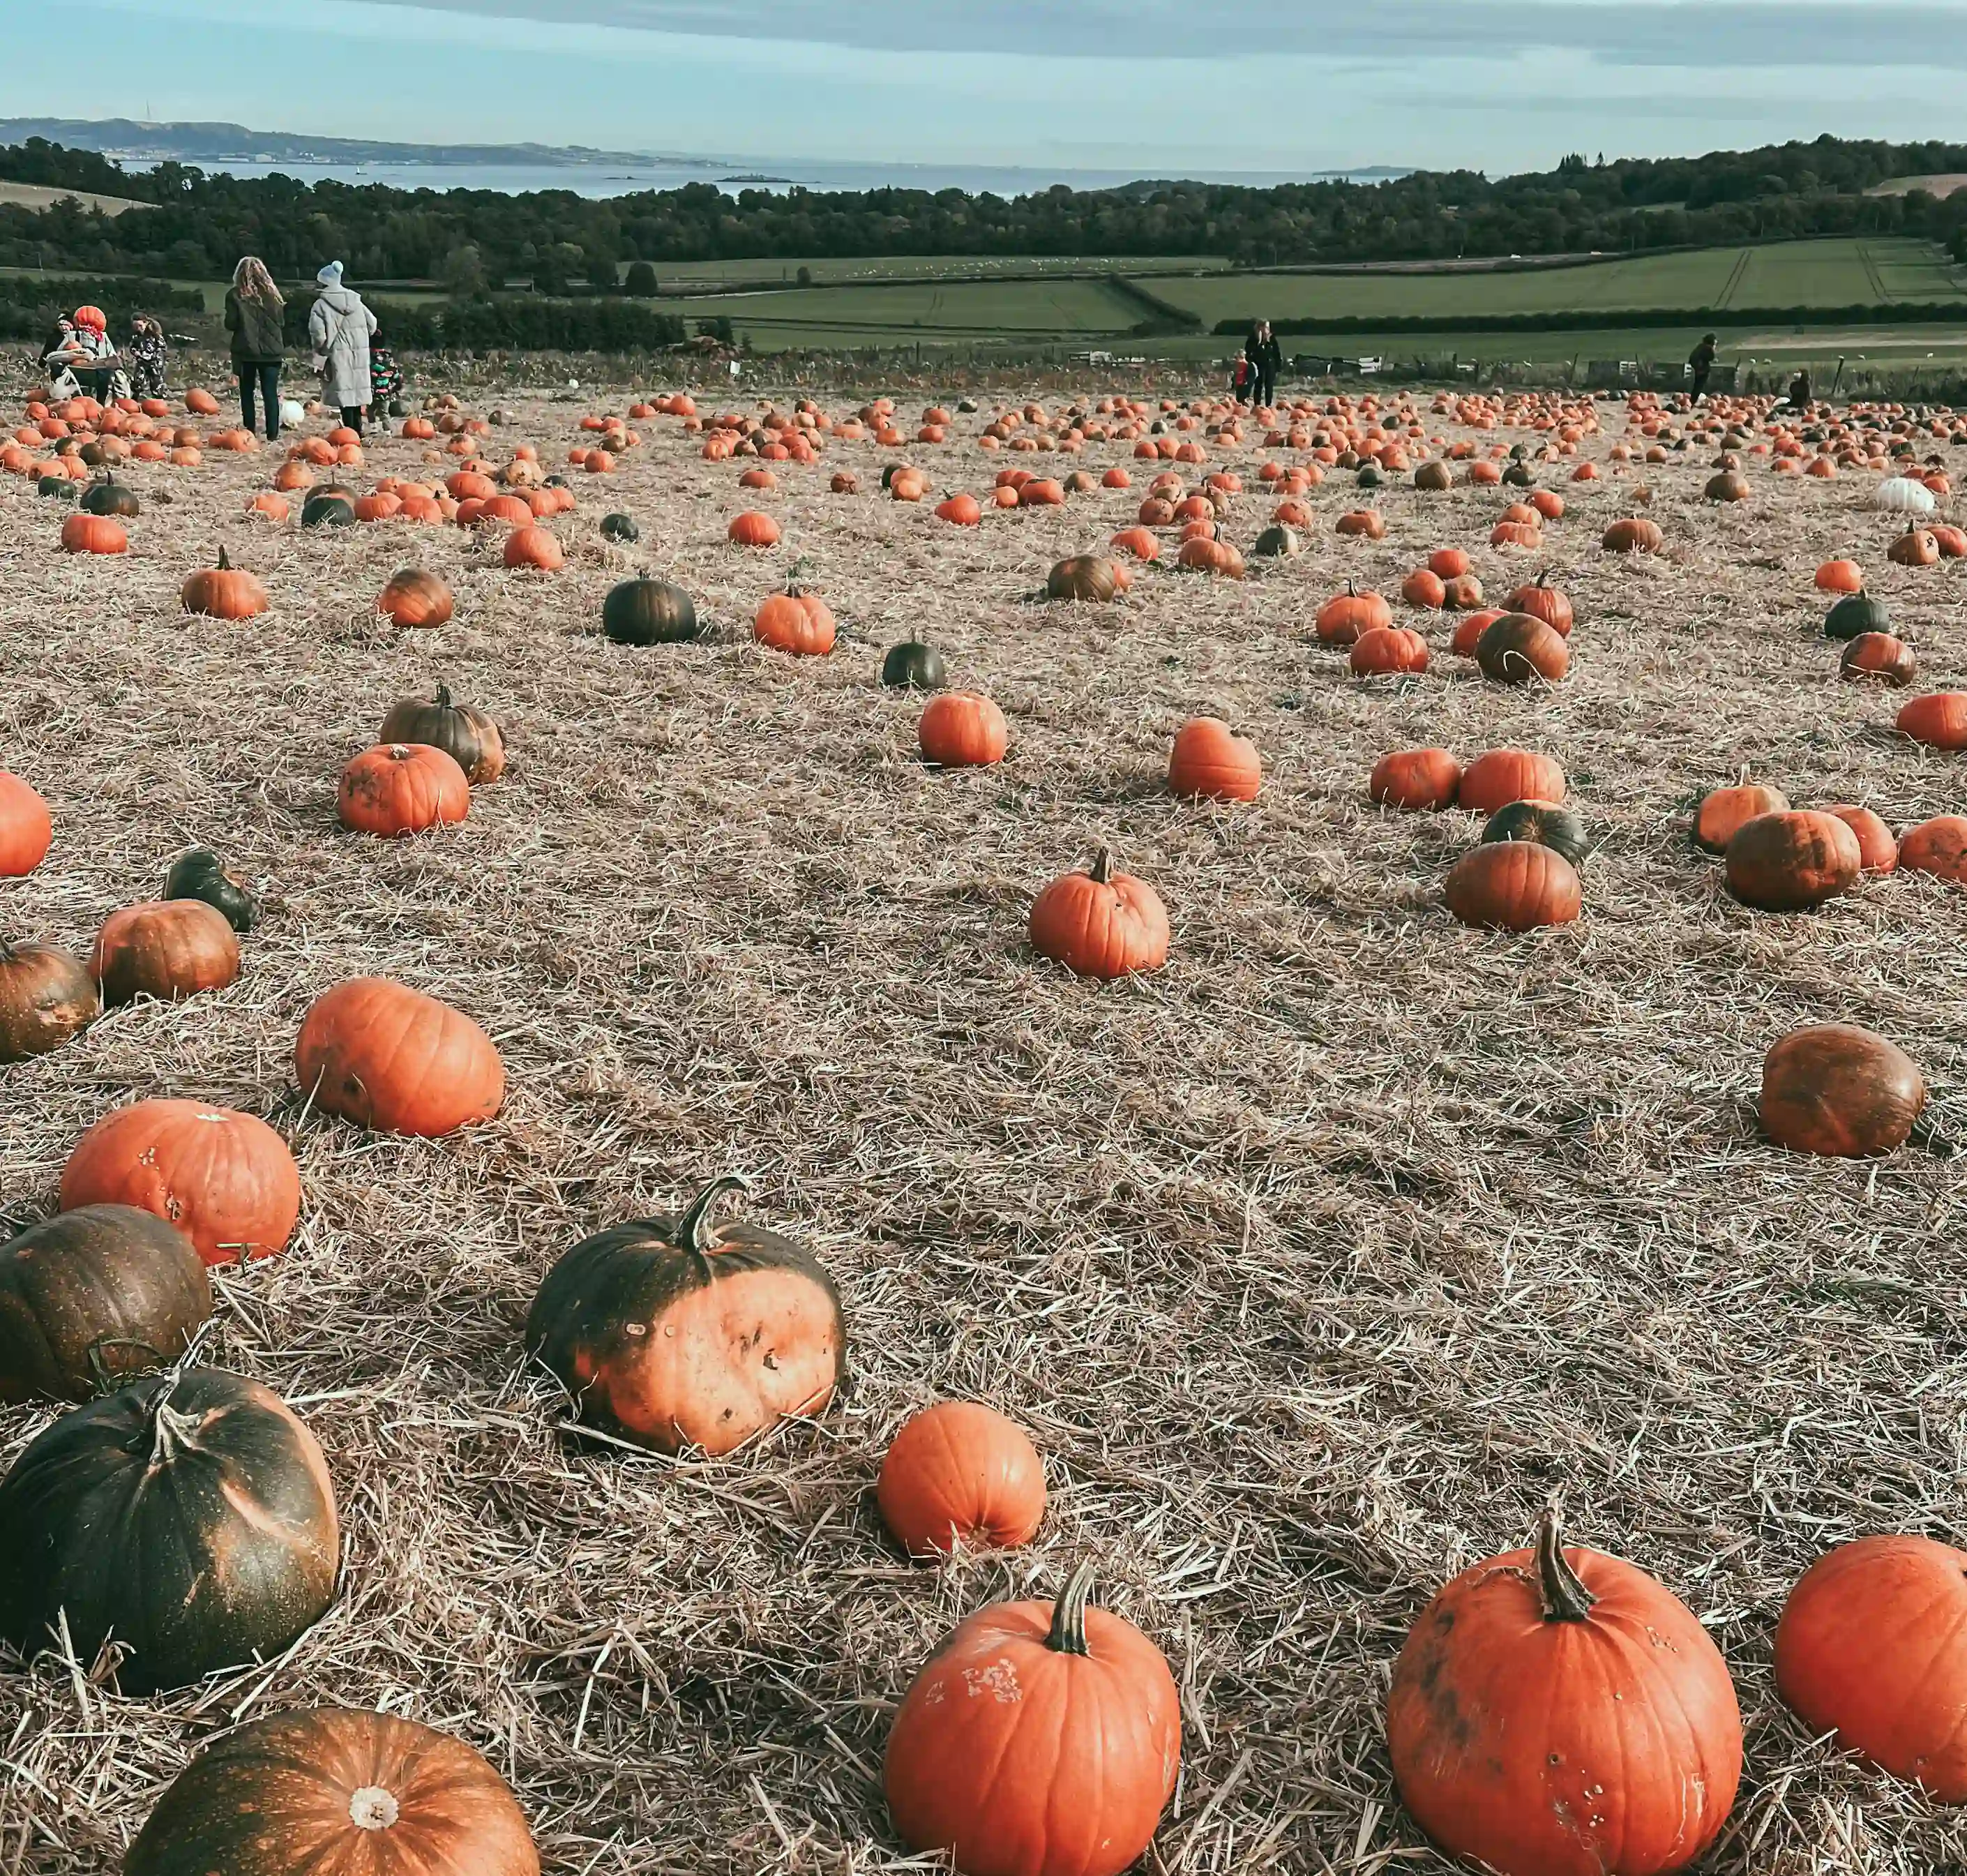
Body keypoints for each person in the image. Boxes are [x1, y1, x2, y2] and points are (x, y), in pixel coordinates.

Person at [308, 260, 377, 435]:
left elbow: (319, 336)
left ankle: (349, 433)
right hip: (359, 354)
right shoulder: (356, 300)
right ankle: (358, 431)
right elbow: (372, 323)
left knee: (345, 396)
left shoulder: (320, 305)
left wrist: (322, 350)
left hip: (339, 354)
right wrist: (360, 338)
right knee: (356, 395)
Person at [225, 257, 287, 441]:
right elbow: (281, 322)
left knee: (247, 392)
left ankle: (249, 433)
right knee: (270, 393)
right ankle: (273, 434)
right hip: (272, 352)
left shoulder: (235, 295)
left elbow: (231, 324)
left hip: (246, 351)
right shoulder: (274, 295)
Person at [126, 314, 168, 402]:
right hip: (142, 361)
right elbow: (132, 347)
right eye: (136, 326)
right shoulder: (136, 336)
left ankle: (159, 400)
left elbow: (162, 347)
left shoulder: (154, 334)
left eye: (140, 326)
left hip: (155, 362)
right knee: (138, 380)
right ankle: (134, 399)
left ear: (146, 323)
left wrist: (154, 355)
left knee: (156, 381)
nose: (138, 328)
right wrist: (135, 352)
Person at [1246, 320, 1283, 409]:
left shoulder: (1272, 339)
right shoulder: (1253, 338)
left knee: (1269, 385)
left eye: (1268, 328)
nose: (1268, 330)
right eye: (1266, 327)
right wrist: (1258, 343)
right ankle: (1257, 404)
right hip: (1258, 364)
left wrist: (1278, 366)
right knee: (1258, 384)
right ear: (1260, 328)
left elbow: (1276, 353)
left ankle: (1268, 404)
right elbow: (1248, 351)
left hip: (1270, 364)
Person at [368, 331, 404, 418]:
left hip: (372, 390)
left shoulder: (369, 356)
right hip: (386, 391)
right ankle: (387, 428)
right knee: (384, 410)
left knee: (371, 410)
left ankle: (373, 426)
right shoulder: (388, 356)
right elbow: (398, 376)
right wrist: (395, 388)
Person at [1688, 332, 1717, 402]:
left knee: (1697, 386)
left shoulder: (1701, 346)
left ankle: (1692, 400)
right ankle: (1693, 401)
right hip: (1703, 369)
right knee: (1699, 386)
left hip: (1697, 368)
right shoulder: (1709, 348)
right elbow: (1711, 357)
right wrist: (1714, 348)